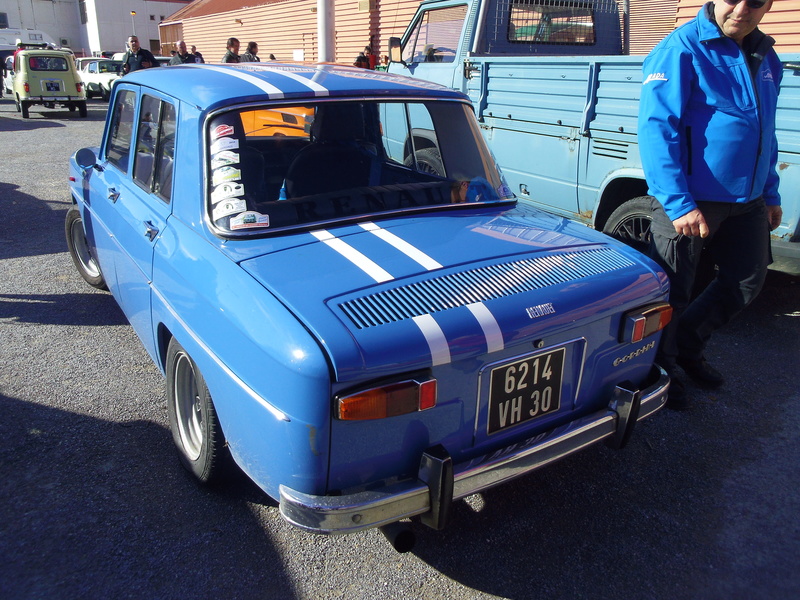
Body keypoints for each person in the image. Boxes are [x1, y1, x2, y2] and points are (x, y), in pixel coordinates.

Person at [638, 0, 782, 410]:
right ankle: (661, 372)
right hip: (689, 201)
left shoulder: (765, 54)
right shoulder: (680, 48)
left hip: (748, 200)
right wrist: (680, 203)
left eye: (754, 1)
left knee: (747, 282)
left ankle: (686, 347)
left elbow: (765, 130)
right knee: (672, 293)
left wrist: (769, 191)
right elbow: (655, 130)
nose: (741, 9)